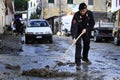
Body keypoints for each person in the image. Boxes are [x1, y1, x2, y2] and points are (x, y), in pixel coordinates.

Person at [70, 2, 95, 69]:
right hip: (78, 31)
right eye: (82, 11)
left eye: (84, 10)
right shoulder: (76, 15)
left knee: (87, 44)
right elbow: (73, 26)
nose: (83, 12)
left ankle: (85, 58)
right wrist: (74, 37)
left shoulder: (90, 13)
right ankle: (78, 62)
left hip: (86, 31)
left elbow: (92, 23)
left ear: (86, 9)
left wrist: (86, 29)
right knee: (78, 45)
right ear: (79, 10)